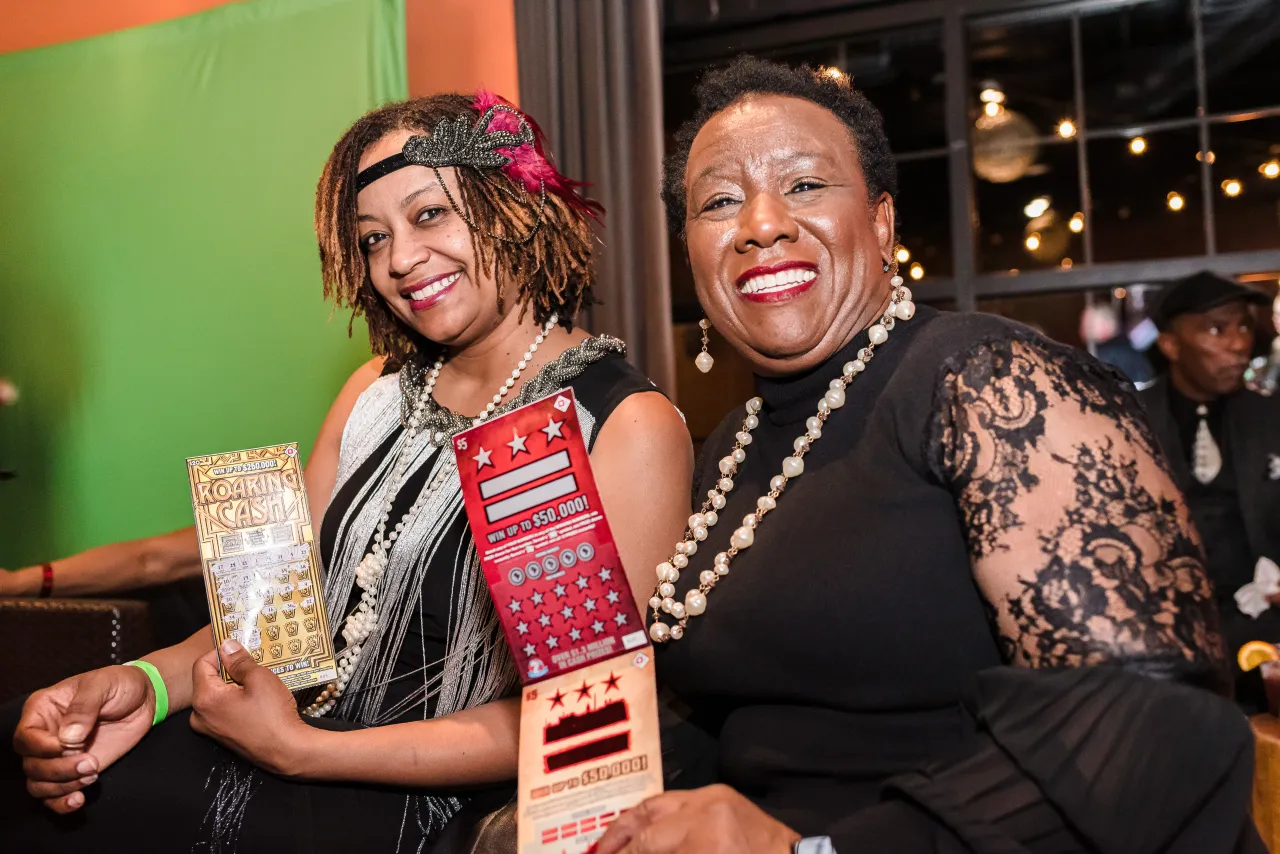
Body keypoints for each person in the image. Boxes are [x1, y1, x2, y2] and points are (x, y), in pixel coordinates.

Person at [597, 57, 1260, 854]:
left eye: (805, 186)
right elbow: (747, 724)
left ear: (880, 223)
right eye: (719, 202)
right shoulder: (731, 451)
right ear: (690, 250)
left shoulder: (992, 385)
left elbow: (1154, 722)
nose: (761, 223)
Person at [2, 91, 692, 852]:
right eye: (372, 238)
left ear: (513, 207)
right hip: (289, 734)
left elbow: (587, 719)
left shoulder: (622, 425)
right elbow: (268, 624)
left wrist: (305, 752)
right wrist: (146, 685)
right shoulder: (372, 391)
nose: (399, 259)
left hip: (427, 803)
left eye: (429, 215)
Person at [1138, 271, 1280, 711]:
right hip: (1165, 642)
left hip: (1265, 632)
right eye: (1217, 329)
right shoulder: (1130, 423)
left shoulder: (1272, 416)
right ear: (1171, 345)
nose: (1239, 343)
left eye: (1243, 326)